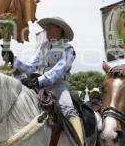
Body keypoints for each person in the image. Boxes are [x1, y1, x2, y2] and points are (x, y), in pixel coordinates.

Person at [10, 16, 84, 145]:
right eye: (46, 28)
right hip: (39, 85)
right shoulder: (43, 47)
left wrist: (38, 81)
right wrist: (14, 61)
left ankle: (80, 142)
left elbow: (58, 71)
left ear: (59, 29)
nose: (46, 31)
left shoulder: (68, 49)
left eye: (49, 28)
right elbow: (31, 66)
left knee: (68, 109)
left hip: (59, 87)